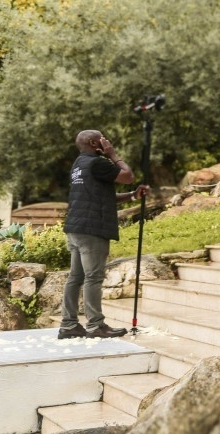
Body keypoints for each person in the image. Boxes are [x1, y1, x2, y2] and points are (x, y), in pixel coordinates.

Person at [58, 130, 149, 339]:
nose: (106, 140)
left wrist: (132, 196)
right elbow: (128, 176)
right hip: (92, 229)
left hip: (75, 228)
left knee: (76, 277)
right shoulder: (98, 162)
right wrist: (113, 154)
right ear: (93, 142)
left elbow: (100, 194)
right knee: (93, 277)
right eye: (102, 138)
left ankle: (68, 325)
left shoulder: (79, 164)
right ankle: (95, 325)